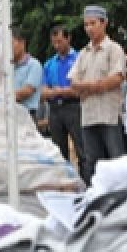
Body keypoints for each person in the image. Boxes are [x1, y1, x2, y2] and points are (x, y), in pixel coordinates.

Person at [68, 6, 126, 182]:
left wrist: (87, 87)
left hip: (109, 114)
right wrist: (98, 85)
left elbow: (116, 79)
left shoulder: (114, 49)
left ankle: (121, 195)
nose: (89, 28)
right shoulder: (83, 53)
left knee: (116, 159)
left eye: (93, 23)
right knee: (92, 161)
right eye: (86, 25)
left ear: (104, 23)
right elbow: (73, 83)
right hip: (89, 115)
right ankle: (96, 196)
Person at [42, 25, 85, 171]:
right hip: (55, 109)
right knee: (59, 151)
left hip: (74, 106)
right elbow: (43, 90)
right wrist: (59, 91)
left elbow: (79, 88)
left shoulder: (80, 59)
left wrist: (59, 91)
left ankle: (87, 182)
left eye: (60, 41)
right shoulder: (49, 64)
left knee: (81, 148)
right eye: (54, 42)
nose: (56, 45)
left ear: (68, 38)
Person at [10, 26, 43, 120]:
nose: (8, 48)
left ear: (22, 42)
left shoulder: (34, 65)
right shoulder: (6, 67)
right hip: (9, 115)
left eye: (11, 43)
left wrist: (2, 97)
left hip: (27, 115)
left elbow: (26, 91)